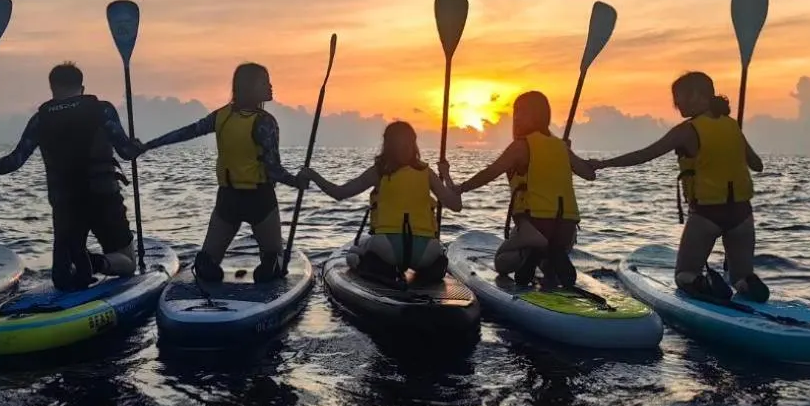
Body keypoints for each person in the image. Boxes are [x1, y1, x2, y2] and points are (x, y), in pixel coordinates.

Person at [592, 71, 769, 302]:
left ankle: (705, 284)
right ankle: (748, 284)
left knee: (684, 276)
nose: (676, 105)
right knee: (739, 277)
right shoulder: (732, 126)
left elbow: (644, 155)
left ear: (698, 95)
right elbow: (757, 165)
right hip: (742, 215)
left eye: (679, 98)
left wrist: (601, 164)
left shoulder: (687, 130)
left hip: (708, 214)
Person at [0, 62, 140, 292]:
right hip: (103, 198)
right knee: (128, 264)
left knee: (62, 277)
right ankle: (96, 262)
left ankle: (74, 262)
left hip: (65, 204)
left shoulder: (41, 119)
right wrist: (136, 146)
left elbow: (14, 161)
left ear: (52, 87)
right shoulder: (102, 110)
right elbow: (126, 153)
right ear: (82, 86)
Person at [134, 63, 300, 284]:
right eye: (264, 82)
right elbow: (273, 169)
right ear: (248, 87)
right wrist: (297, 181)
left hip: (228, 199)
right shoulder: (265, 122)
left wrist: (146, 146)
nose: (270, 86)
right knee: (274, 261)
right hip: (260, 199)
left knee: (207, 262)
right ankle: (271, 265)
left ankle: (207, 264)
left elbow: (185, 133)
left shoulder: (221, 116)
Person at [443, 91, 597, 289]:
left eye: (521, 112)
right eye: (515, 111)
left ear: (537, 117)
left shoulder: (520, 147)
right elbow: (588, 174)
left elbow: (490, 172)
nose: (516, 117)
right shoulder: (562, 147)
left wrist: (461, 188)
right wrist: (574, 155)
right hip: (565, 231)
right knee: (549, 263)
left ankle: (532, 249)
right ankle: (549, 259)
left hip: (535, 225)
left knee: (501, 261)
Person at [301, 120, 460, 284]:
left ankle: (372, 266)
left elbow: (339, 193)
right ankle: (431, 269)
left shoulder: (379, 171)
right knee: (435, 252)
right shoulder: (427, 172)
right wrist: (446, 175)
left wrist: (313, 175)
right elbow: (456, 205)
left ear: (387, 144)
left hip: (386, 248)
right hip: (426, 251)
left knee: (354, 252)